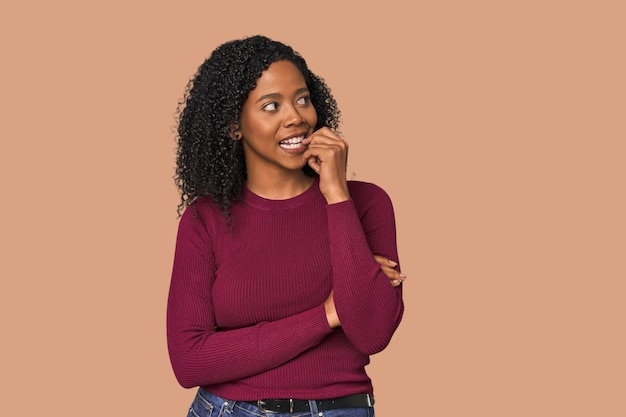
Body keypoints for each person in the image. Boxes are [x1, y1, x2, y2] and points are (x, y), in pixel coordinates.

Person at [167, 35, 405, 417]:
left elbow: (372, 332)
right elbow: (190, 361)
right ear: (234, 127)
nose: (296, 116)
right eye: (271, 105)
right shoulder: (205, 219)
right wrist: (327, 314)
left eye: (302, 99)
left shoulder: (367, 203)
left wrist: (337, 194)